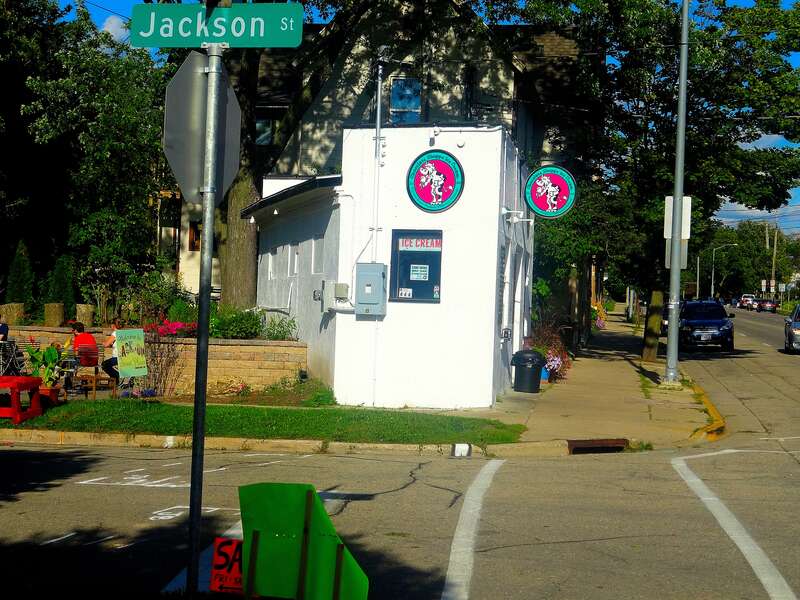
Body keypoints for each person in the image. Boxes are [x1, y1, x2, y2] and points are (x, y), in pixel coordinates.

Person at [101, 318, 121, 385]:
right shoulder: (122, 333)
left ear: (113, 325)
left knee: (104, 365)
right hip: (123, 356)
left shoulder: (115, 333)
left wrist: (103, 343)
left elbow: (106, 344)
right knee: (108, 364)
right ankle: (116, 380)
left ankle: (117, 377)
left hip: (117, 357)